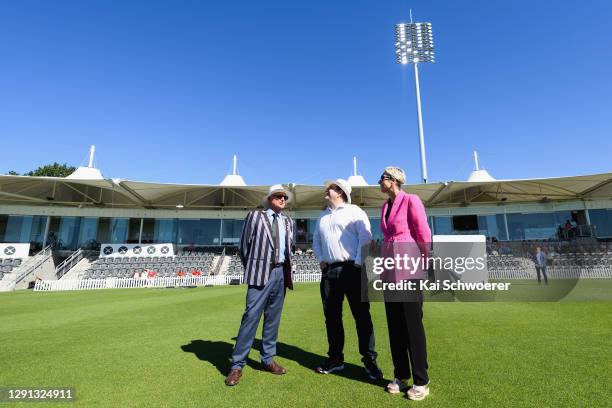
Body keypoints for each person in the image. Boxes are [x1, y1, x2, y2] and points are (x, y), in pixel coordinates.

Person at [312, 178, 382, 379]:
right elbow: (316, 241)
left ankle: (369, 361)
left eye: (331, 188)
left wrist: (359, 262)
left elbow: (366, 237)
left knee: (362, 317)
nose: (327, 189)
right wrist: (320, 259)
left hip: (353, 269)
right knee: (332, 318)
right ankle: (335, 359)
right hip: (329, 272)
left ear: (341, 192)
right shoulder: (322, 216)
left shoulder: (354, 211)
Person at [225, 184, 295, 386]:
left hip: (281, 273)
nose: (282, 199)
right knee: (250, 317)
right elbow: (243, 246)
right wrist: (255, 268)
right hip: (260, 274)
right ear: (269, 199)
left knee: (273, 319)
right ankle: (237, 365)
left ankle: (268, 359)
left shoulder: (288, 221)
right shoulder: (255, 216)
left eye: (284, 197)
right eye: (278, 196)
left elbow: (288, 249)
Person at [378, 166, 431, 401]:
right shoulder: (384, 206)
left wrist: (427, 262)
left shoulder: (411, 200)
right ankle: (400, 375)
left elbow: (423, 233)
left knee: (412, 325)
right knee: (395, 325)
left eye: (382, 178)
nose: (379, 181)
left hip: (409, 269)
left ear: (394, 180)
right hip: (389, 270)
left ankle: (421, 380)